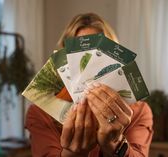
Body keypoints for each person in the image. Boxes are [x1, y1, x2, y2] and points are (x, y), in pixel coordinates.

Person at [25, 13, 153, 157]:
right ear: (65, 62)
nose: (88, 70)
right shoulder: (41, 112)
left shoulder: (139, 111)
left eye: (97, 54)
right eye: (79, 54)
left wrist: (114, 144)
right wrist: (73, 154)